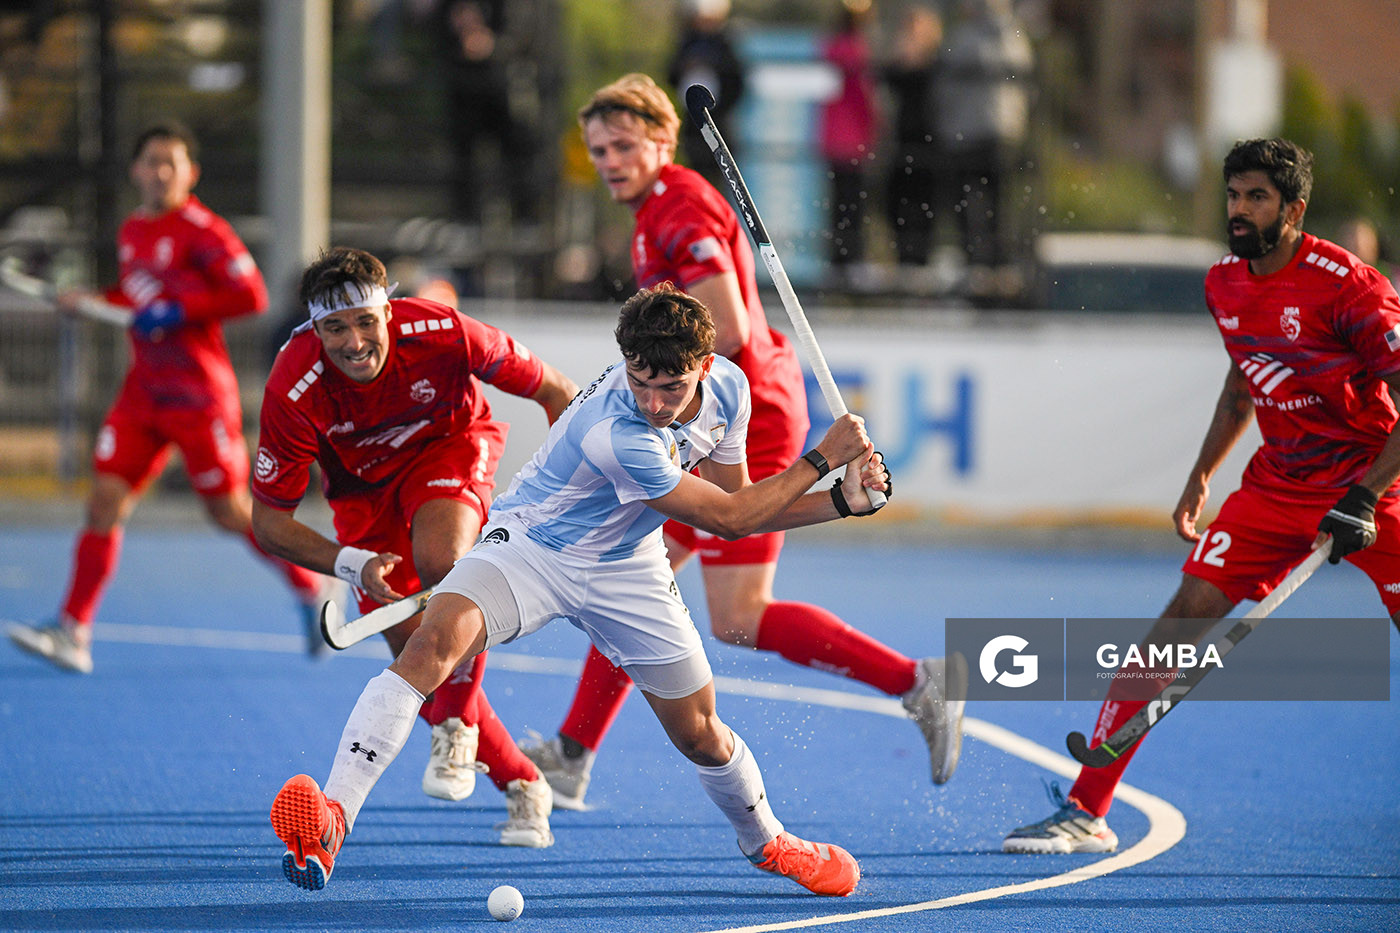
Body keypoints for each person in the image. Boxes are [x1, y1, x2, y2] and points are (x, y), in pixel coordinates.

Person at [268, 282, 891, 895]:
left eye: (671, 388)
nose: (652, 403)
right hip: (534, 549)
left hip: (629, 565)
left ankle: (770, 843)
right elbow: (729, 519)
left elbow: (737, 505)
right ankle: (333, 817)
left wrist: (842, 500)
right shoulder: (617, 430)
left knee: (700, 732)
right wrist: (821, 461)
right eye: (639, 381)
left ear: (704, 365)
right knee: (431, 645)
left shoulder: (730, 387)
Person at [518, 72, 965, 812]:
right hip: (719, 405)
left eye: (624, 144)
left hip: (734, 407)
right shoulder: (656, 209)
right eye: (598, 149)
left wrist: (651, 388)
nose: (609, 161)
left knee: (734, 613)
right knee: (635, 573)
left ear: (663, 140)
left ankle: (917, 681)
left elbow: (724, 329)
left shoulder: (680, 205)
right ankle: (572, 753)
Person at [1003, 138, 1400, 854]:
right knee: (1177, 622)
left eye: (1257, 198)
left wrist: (1365, 497)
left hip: (1377, 482)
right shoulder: (1224, 283)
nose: (1239, 210)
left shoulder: (1350, 287)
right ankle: (1087, 809)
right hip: (1275, 488)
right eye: (1233, 195)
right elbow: (1244, 381)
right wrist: (1201, 473)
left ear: (1295, 208)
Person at [251, 246, 578, 847]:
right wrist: (350, 564)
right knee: (416, 670)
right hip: (363, 501)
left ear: (389, 313)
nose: (353, 342)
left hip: (449, 450)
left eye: (365, 322)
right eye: (334, 328)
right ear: (313, 328)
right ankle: (525, 782)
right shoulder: (293, 388)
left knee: (445, 565)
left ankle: (455, 727)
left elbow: (559, 391)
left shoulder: (444, 330)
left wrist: (566, 494)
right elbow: (269, 523)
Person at [6, 122, 330, 674]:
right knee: (104, 501)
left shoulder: (205, 231)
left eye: (171, 164)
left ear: (190, 174)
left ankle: (310, 584)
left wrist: (181, 311)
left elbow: (249, 294)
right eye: (151, 162)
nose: (159, 173)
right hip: (143, 393)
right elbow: (132, 299)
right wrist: (88, 300)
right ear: (136, 170)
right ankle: (73, 630)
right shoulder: (132, 230)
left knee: (228, 514)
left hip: (199, 395)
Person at [936, 0, 1033, 273]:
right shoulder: (964, 34)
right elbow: (947, 79)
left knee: (997, 201)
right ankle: (973, 259)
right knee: (966, 201)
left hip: (996, 132)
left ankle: (996, 260)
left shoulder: (1008, 34)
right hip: (965, 132)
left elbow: (1011, 65)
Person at [817, 0, 880, 278]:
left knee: (838, 201)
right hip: (854, 138)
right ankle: (851, 258)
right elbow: (866, 100)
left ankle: (838, 258)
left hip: (833, 137)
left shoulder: (830, 49)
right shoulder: (859, 53)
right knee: (853, 202)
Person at [882, 4, 944, 270]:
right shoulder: (898, 66)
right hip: (900, 143)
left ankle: (921, 261)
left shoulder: (937, 67)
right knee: (895, 203)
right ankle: (903, 259)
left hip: (928, 143)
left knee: (923, 205)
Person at [666, 0, 746, 191]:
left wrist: (719, 107)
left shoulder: (724, 45)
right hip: (693, 129)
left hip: (719, 127)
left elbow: (737, 83)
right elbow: (671, 75)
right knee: (694, 181)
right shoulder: (687, 43)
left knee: (720, 182)